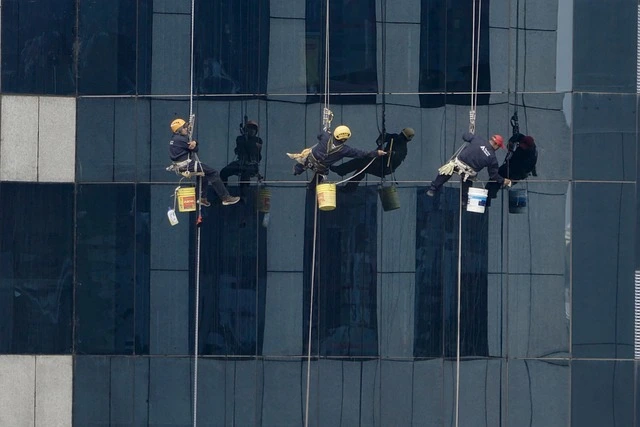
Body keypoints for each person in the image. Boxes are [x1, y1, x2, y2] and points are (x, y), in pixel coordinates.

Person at [168, 118, 240, 207]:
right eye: (184, 128)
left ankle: (202, 198)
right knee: (213, 173)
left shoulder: (174, 139)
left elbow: (192, 146)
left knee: (203, 173)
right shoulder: (181, 139)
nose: (186, 129)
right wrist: (195, 143)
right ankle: (225, 198)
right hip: (187, 165)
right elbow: (195, 149)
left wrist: (194, 142)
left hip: (182, 165)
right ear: (179, 130)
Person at [287, 125, 387, 185]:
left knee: (304, 162)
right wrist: (377, 153)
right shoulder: (344, 150)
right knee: (319, 178)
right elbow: (361, 154)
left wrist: (327, 134)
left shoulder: (326, 136)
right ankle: (312, 187)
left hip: (309, 159)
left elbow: (319, 135)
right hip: (320, 168)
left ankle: (297, 170)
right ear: (345, 138)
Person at [426, 132, 512, 202]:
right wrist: (503, 180)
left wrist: (471, 135)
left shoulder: (478, 139)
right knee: (467, 181)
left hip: (458, 164)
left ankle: (432, 189)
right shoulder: (492, 158)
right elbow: (493, 175)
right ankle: (464, 201)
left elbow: (464, 136)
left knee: (446, 172)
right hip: (469, 173)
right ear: (496, 145)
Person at [330, 127, 414, 191]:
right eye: (401, 135)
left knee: (362, 162)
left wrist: (392, 154)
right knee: (362, 167)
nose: (400, 137)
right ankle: (349, 186)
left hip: (384, 168)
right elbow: (385, 137)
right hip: (378, 161)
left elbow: (397, 159)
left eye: (403, 136)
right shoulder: (395, 137)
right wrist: (382, 138)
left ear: (407, 140)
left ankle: (341, 171)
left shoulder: (403, 149)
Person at [485, 133, 537, 205]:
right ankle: (489, 194)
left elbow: (524, 171)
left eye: (523, 146)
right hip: (511, 164)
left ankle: (490, 195)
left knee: (498, 177)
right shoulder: (524, 139)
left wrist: (513, 178)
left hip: (517, 171)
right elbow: (517, 135)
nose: (521, 146)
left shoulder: (530, 157)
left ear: (528, 147)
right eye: (521, 144)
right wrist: (511, 142)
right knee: (495, 177)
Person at [221, 120, 263, 192]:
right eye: (250, 128)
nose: (252, 130)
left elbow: (251, 149)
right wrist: (244, 136)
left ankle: (243, 197)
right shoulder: (240, 138)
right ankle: (223, 193)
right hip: (240, 163)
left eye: (254, 129)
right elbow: (239, 148)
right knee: (223, 172)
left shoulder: (258, 140)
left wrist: (245, 137)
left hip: (252, 165)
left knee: (245, 175)